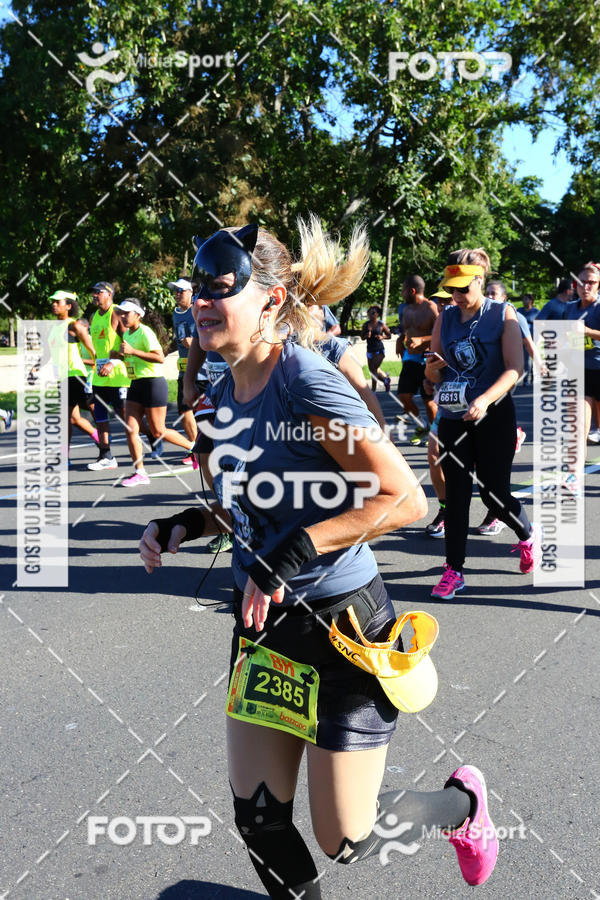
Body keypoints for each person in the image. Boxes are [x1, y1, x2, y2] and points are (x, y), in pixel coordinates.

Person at [139, 221, 499, 898]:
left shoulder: (307, 383)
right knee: (260, 821)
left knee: (346, 839)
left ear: (270, 300)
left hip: (344, 628)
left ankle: (463, 807)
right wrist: (182, 522)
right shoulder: (221, 393)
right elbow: (248, 504)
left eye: (222, 291)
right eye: (200, 293)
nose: (202, 305)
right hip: (263, 626)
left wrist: (294, 553)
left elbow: (405, 500)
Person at [426, 249, 540, 600]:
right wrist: (432, 369)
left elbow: (514, 368)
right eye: (451, 290)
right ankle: (453, 570)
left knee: (494, 492)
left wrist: (484, 400)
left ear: (479, 280)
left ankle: (527, 534)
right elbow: (433, 372)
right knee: (457, 494)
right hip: (453, 416)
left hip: (494, 414)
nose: (456, 297)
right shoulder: (444, 317)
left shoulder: (503, 314)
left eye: (463, 289)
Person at [111, 300, 194, 487]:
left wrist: (133, 351)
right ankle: (140, 472)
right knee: (131, 427)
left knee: (158, 430)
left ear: (137, 315)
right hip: (135, 383)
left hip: (152, 384)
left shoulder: (145, 332)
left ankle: (194, 448)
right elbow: (132, 359)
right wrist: (119, 356)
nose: (123, 316)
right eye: (121, 313)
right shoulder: (128, 335)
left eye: (126, 313)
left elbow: (159, 357)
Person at [49, 290, 99, 454]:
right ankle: (100, 438)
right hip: (62, 378)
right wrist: (35, 367)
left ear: (69, 306)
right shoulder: (54, 328)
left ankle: (65, 455)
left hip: (76, 376)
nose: (54, 304)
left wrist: (99, 366)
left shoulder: (74, 326)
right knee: (74, 419)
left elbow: (91, 349)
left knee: (69, 418)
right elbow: (48, 352)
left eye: (58, 302)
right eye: (53, 302)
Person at [87, 281, 130, 470]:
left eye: (98, 292)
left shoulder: (116, 313)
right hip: (99, 376)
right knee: (100, 416)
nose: (94, 295)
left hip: (118, 375)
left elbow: (129, 343)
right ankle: (106, 455)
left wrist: (114, 362)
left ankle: (153, 438)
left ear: (109, 294)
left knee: (126, 417)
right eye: (93, 293)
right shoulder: (94, 316)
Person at [564, 261, 600, 480]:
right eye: (581, 282)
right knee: (579, 430)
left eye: (591, 282)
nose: (585, 286)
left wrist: (587, 331)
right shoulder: (569, 308)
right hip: (580, 371)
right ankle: (573, 478)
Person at [424, 289, 454, 538]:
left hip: (479, 403)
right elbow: (433, 376)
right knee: (434, 453)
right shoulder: (439, 326)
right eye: (439, 302)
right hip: (447, 401)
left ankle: (494, 510)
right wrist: (431, 372)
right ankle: (446, 509)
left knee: (478, 463)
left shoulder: (479, 323)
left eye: (447, 301)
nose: (442, 305)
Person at [396, 275, 438, 444]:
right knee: (404, 395)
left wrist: (422, 340)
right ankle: (421, 425)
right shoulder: (405, 309)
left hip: (426, 360)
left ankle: (435, 434)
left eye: (403, 290)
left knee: (429, 402)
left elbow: (439, 334)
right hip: (410, 358)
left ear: (412, 291)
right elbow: (406, 330)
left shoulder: (430, 308)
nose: (401, 294)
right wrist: (400, 340)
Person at [169, 277, 199, 464]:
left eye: (182, 290)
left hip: (202, 370)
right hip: (184, 371)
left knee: (203, 411)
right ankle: (195, 447)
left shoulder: (197, 310)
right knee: (184, 410)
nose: (178, 294)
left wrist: (194, 343)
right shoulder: (175, 313)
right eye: (176, 291)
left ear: (191, 292)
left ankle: (200, 449)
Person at [361, 305, 391, 391]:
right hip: (370, 350)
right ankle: (385, 380)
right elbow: (362, 337)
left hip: (379, 350)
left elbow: (389, 336)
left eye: (373, 312)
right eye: (369, 312)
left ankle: (373, 391)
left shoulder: (381, 325)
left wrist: (382, 337)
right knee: (372, 372)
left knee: (374, 369)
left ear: (377, 314)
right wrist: (367, 335)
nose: (370, 314)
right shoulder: (366, 325)